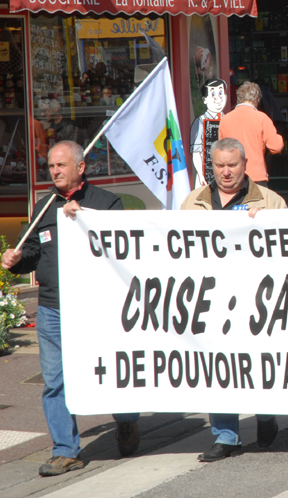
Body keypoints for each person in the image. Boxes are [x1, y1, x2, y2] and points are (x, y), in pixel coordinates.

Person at [1, 141, 140, 476]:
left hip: (97, 308)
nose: (55, 172)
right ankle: (66, 450)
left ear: (81, 167)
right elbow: (32, 252)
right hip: (53, 308)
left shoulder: (107, 203)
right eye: (51, 167)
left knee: (109, 371)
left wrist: (86, 221)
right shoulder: (45, 205)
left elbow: (123, 251)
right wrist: (18, 262)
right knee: (55, 381)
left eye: (61, 165)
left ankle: (127, 421)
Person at [181, 138, 287, 462]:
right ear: (211, 166)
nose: (226, 172)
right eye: (219, 166)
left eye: (233, 165)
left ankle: (266, 415)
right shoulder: (193, 203)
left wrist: (264, 225)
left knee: (258, 362)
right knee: (217, 366)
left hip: (256, 299)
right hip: (212, 300)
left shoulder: (270, 202)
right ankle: (226, 435)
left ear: (245, 164)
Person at [217, 82, 284, 186]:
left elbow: (221, 149)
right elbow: (276, 147)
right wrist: (279, 136)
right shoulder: (262, 118)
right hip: (256, 176)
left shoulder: (225, 119)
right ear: (257, 98)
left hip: (231, 176)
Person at [190, 78, 227, 188]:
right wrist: (201, 174)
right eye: (213, 94)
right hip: (206, 176)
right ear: (205, 99)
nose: (218, 98)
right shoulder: (200, 122)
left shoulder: (228, 120)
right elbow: (196, 151)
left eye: (221, 93)